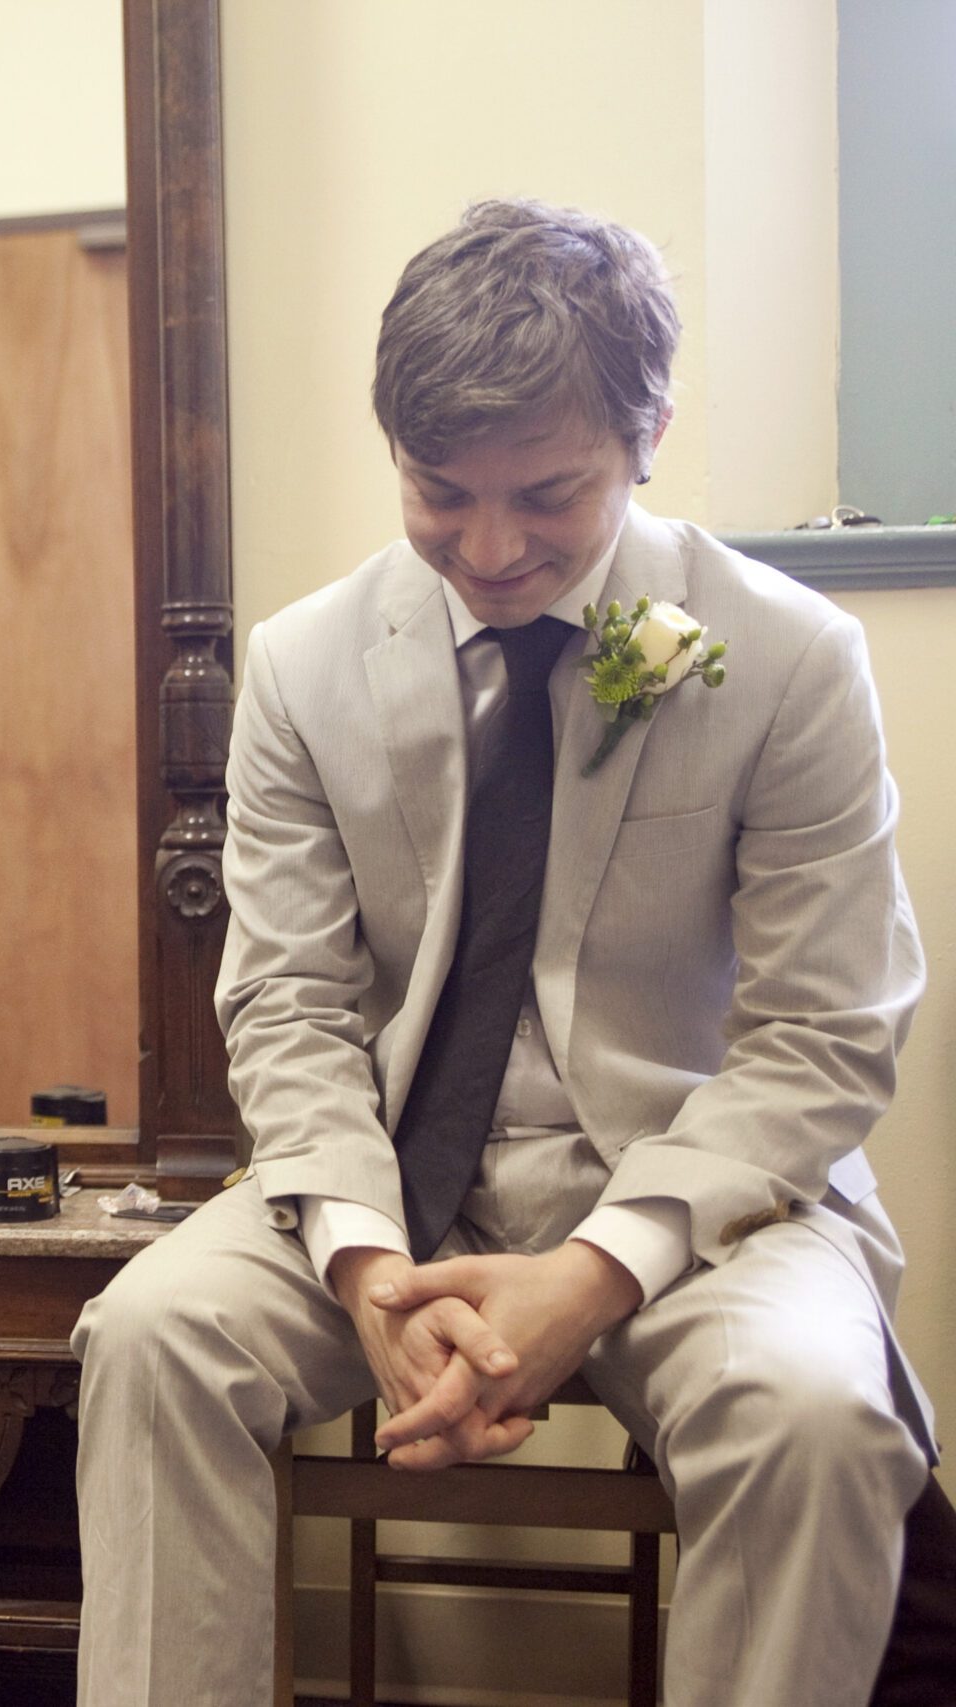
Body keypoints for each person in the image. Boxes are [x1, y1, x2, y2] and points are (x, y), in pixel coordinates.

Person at [72, 200, 935, 1705]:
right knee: (151, 1335)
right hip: (386, 1176)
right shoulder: (302, 666)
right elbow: (285, 1002)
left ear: (649, 434)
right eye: (438, 493)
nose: (489, 549)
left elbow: (824, 1032)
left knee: (813, 1415)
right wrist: (366, 1274)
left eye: (548, 495)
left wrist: (593, 1277)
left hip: (699, 1196)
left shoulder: (790, 656)